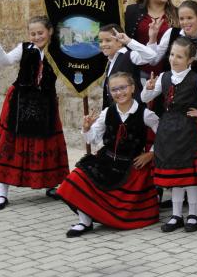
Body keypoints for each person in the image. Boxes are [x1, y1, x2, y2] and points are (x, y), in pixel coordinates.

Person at [57, 72, 160, 236]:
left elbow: (163, 134)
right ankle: (85, 222)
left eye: (123, 88)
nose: (119, 93)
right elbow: (92, 139)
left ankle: (109, 216)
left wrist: (151, 154)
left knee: (125, 198)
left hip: (130, 165)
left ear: (133, 88)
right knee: (76, 178)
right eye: (114, 90)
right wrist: (86, 128)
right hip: (106, 160)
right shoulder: (107, 112)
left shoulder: (145, 114)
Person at [141, 37, 197, 233]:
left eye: (179, 56)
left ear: (190, 60)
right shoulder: (164, 77)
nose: (174, 59)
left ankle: (193, 214)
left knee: (189, 177)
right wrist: (147, 89)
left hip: (189, 131)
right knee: (175, 175)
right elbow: (146, 98)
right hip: (168, 131)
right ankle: (176, 215)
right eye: (172, 54)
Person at [0, 16, 69, 209]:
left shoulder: (59, 51)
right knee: (10, 144)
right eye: (33, 33)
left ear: (50, 32)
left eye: (40, 33)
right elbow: (4, 62)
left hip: (45, 103)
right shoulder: (23, 48)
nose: (36, 36)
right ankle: (1, 192)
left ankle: (51, 184)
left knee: (47, 142)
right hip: (20, 101)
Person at [123, 0, 177, 79]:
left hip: (167, 75)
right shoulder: (133, 11)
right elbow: (115, 31)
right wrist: (117, 5)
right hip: (136, 73)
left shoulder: (177, 14)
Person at [96, 24, 156, 108]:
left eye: (108, 40)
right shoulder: (110, 61)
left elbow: (152, 55)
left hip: (133, 114)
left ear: (120, 42)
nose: (103, 44)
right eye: (100, 41)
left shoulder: (130, 56)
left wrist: (128, 41)